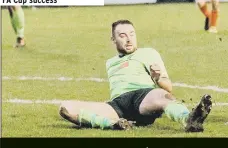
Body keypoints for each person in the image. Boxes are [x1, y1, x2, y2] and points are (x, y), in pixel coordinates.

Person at [58, 20, 213, 132]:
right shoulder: (110, 62)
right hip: (117, 105)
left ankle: (189, 119)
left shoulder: (148, 53)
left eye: (132, 34)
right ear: (113, 40)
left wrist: (157, 78)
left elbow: (168, 88)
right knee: (66, 108)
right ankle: (114, 124)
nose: (129, 38)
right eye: (122, 35)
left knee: (162, 95)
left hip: (144, 97)